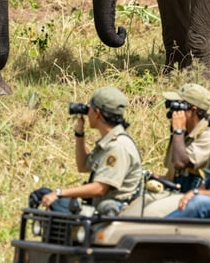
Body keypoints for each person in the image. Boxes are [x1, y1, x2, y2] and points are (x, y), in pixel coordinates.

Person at [39, 86, 142, 215]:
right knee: (42, 195)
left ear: (97, 113)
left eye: (90, 109)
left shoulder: (117, 147)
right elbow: (82, 166)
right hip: (103, 207)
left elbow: (99, 189)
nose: (87, 113)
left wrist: (60, 193)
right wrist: (79, 134)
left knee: (57, 205)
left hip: (115, 212)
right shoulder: (109, 141)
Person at [126, 83, 210, 217]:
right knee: (134, 205)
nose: (173, 114)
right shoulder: (185, 135)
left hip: (195, 197)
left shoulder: (208, 135)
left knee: (150, 213)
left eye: (178, 108)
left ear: (192, 110)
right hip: (178, 190)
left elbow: (181, 163)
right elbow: (173, 175)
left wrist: (177, 131)